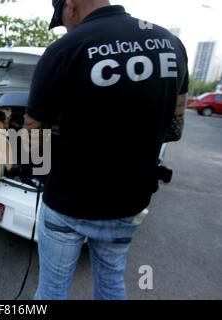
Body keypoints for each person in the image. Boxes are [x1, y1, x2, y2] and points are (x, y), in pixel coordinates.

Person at [23, 0, 188, 300]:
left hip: (67, 205)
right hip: (129, 203)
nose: (65, 26)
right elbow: (175, 130)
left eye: (62, 18)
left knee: (51, 291)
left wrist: (35, 173)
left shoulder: (64, 49)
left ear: (70, 5)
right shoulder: (171, 44)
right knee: (112, 285)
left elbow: (33, 133)